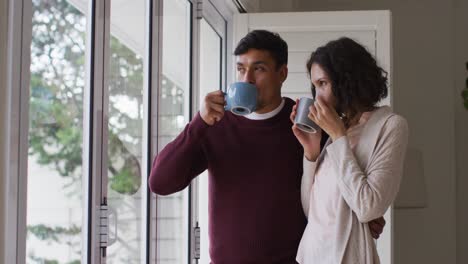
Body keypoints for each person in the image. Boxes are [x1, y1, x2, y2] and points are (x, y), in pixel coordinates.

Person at [149, 30, 384, 263]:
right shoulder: (214, 125)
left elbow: (337, 195)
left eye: (258, 68)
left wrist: (362, 221)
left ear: (282, 73)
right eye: (241, 69)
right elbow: (160, 182)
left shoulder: (307, 125)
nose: (247, 79)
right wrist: (198, 122)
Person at [291, 37, 409, 264]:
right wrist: (311, 152)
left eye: (323, 84)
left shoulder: (390, 126)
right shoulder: (340, 129)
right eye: (315, 86)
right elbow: (312, 213)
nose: (317, 97)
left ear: (347, 81)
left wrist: (338, 136)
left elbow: (368, 207)